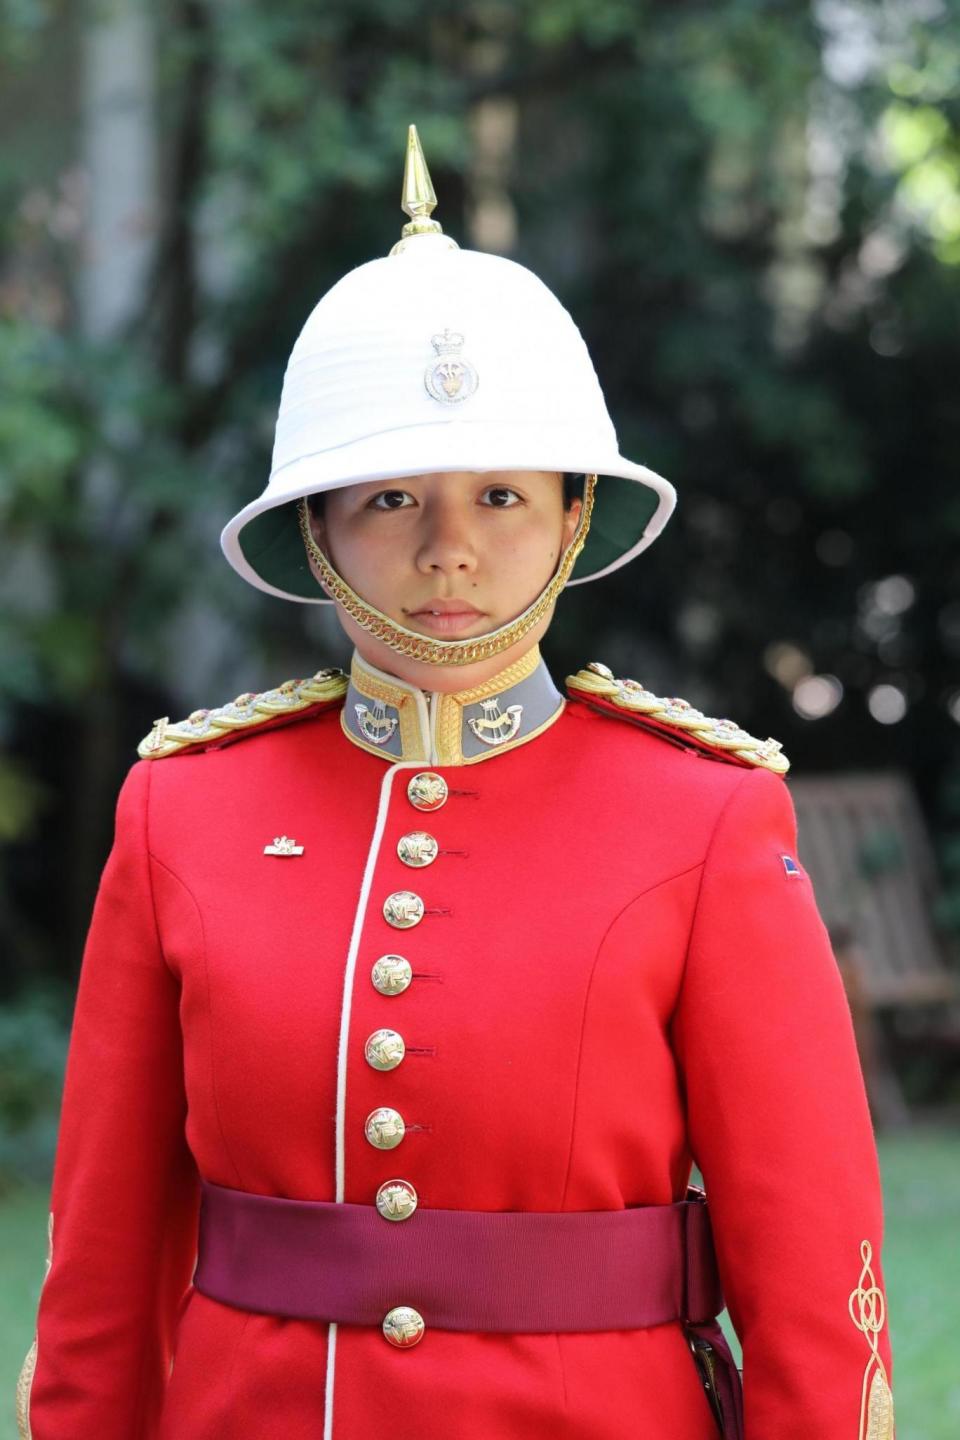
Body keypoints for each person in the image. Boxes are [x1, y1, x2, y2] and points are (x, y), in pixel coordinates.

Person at [15, 125, 895, 1440]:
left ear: (574, 516)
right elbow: (99, 1279)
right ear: (314, 526)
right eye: (388, 501)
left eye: (498, 495)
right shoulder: (182, 814)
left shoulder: (704, 814)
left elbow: (816, 1280)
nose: (448, 551)